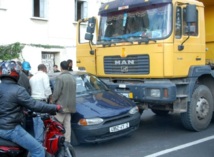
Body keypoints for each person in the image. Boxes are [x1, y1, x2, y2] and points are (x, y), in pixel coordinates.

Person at [0, 61, 62, 157]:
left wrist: (22, 111)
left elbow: (7, 105)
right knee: (38, 150)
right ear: (16, 73)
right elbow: (35, 105)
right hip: (10, 129)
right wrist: (54, 107)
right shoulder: (18, 90)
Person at [52, 61, 76, 143]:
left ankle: (58, 142)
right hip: (70, 105)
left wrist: (52, 102)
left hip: (61, 106)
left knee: (56, 124)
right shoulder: (73, 77)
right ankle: (67, 142)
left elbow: (56, 93)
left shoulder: (60, 78)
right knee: (67, 125)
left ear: (61, 67)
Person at [29, 64, 52, 144]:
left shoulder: (32, 78)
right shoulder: (44, 75)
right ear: (44, 69)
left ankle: (37, 140)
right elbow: (47, 88)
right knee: (42, 121)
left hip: (33, 101)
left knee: (36, 122)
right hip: (41, 101)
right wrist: (49, 97)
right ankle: (40, 142)